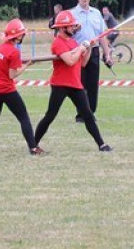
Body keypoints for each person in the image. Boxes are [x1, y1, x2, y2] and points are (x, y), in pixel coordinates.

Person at [33, 9, 112, 153]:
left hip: (75, 84)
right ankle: (33, 145)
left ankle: (102, 145)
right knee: (50, 116)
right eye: (71, 26)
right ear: (63, 28)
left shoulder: (73, 42)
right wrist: (81, 48)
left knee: (88, 115)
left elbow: (82, 63)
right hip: (60, 85)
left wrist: (88, 48)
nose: (73, 28)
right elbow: (70, 60)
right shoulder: (58, 43)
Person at [0, 18, 44, 156]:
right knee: (23, 117)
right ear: (17, 35)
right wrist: (26, 66)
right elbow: (12, 74)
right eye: (22, 34)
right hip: (5, 89)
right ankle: (33, 148)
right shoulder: (14, 51)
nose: (23, 36)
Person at [69, 0, 112, 116]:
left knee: (93, 85)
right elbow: (66, 34)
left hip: (93, 51)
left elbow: (102, 35)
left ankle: (91, 113)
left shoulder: (96, 13)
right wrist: (74, 30)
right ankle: (81, 114)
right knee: (80, 85)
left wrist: (107, 54)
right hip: (78, 52)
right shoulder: (71, 14)